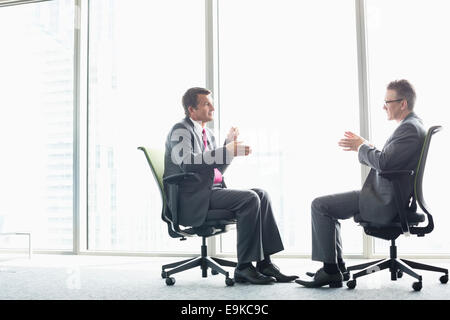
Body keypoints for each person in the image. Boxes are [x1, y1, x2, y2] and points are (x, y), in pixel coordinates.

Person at [295, 79, 426, 288]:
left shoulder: (409, 129)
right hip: (387, 195)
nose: (384, 106)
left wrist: (361, 147)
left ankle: (330, 270)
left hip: (385, 200)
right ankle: (335, 268)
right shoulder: (412, 125)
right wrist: (366, 145)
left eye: (387, 101)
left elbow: (384, 163)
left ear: (402, 103)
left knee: (320, 205)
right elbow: (389, 159)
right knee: (327, 206)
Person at [163, 87, 298, 285]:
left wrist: (229, 148)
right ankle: (243, 267)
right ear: (191, 110)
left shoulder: (207, 133)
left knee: (261, 194)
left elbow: (215, 171)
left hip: (210, 192)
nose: (212, 108)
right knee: (249, 199)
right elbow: (187, 162)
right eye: (206, 104)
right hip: (192, 199)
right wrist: (225, 150)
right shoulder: (180, 129)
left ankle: (264, 263)